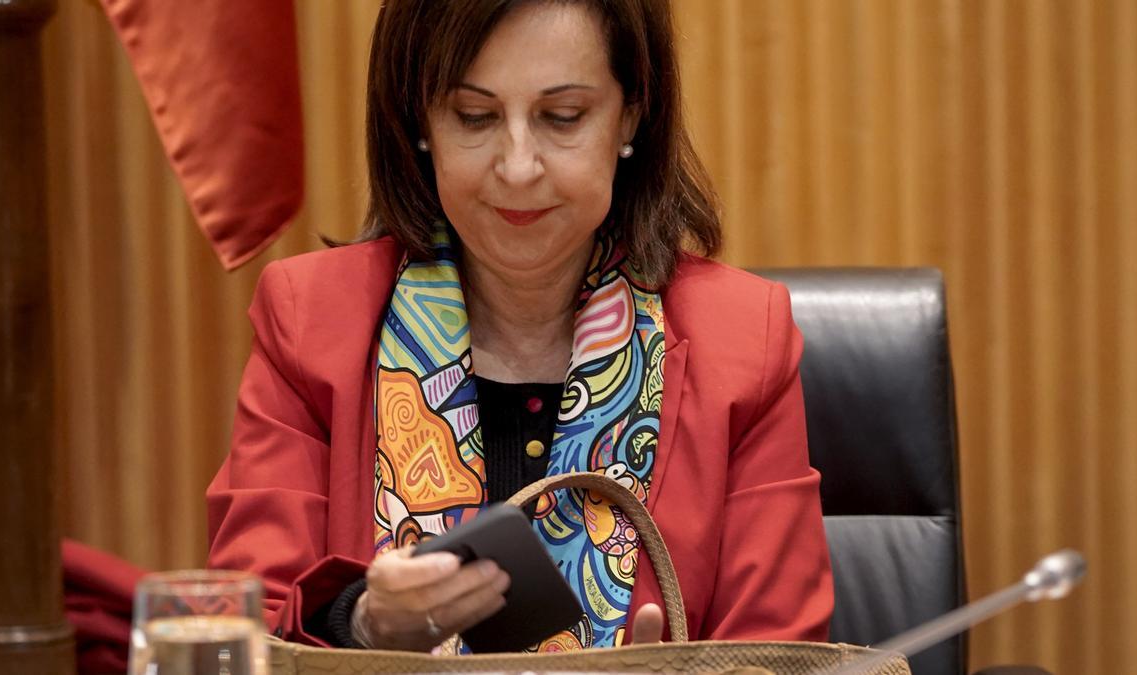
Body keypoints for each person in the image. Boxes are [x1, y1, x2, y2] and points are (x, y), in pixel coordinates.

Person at [206, 0, 833, 653]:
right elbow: (237, 638)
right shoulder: (311, 322)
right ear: (420, 121)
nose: (517, 165)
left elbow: (780, 653)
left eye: (562, 118)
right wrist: (361, 624)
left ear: (631, 115)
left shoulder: (742, 340)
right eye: (474, 117)